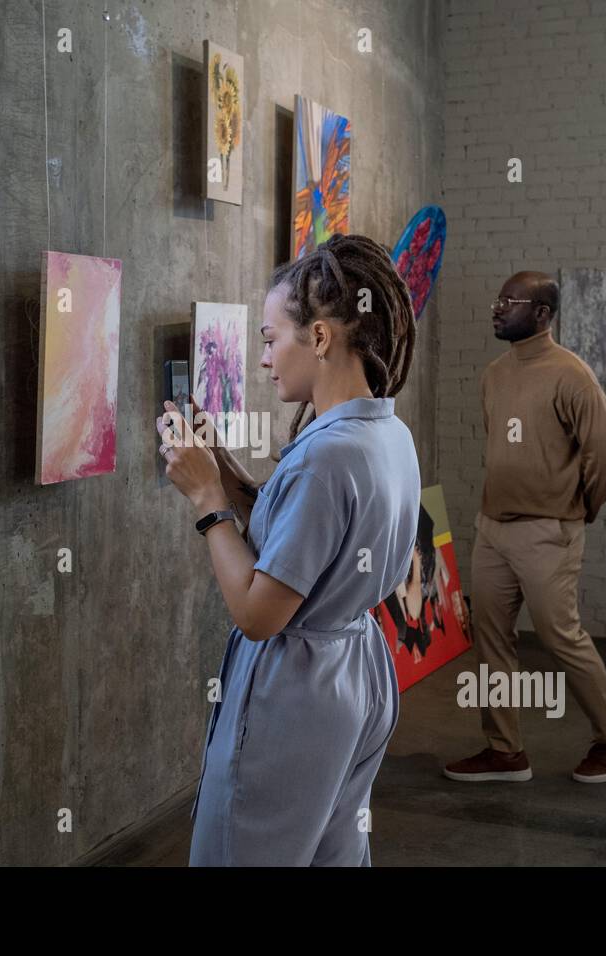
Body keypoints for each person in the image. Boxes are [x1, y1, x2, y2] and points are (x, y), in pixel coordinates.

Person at [157, 234, 420, 866]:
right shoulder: (386, 433)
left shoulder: (324, 459)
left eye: (273, 339)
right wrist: (226, 471)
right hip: (357, 678)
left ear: (322, 338)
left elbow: (258, 613)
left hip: (295, 698)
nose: (266, 359)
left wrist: (206, 500)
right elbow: (311, 541)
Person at [443, 271, 606, 785]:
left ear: (542, 314)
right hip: (493, 529)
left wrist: (576, 509)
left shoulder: (571, 374)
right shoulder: (493, 374)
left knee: (560, 637)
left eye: (509, 301)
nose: (496, 308)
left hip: (548, 533)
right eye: (497, 298)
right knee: (490, 641)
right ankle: (505, 751)